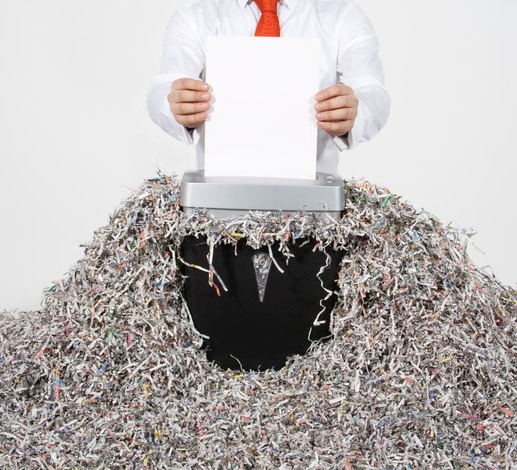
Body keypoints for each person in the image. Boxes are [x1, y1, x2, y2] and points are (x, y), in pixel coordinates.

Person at [147, 0, 390, 371]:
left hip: (313, 217)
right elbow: (165, 85)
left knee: (302, 342)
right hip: (217, 220)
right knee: (221, 339)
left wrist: (356, 109)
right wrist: (173, 103)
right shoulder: (199, 15)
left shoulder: (341, 15)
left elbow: (373, 90)